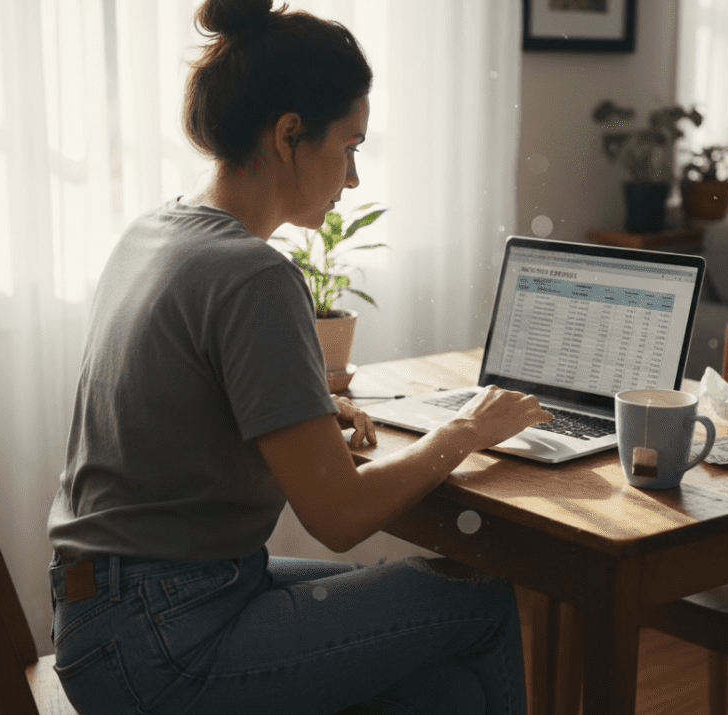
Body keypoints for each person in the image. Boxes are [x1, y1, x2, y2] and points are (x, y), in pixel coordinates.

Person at [45, 0, 551, 713]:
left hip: (112, 612)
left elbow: (182, 410)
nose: (351, 178)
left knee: (443, 685)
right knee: (481, 598)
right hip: (164, 638)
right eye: (349, 145)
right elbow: (339, 516)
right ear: (290, 135)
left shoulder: (156, 231)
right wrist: (464, 430)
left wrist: (309, 411)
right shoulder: (253, 273)